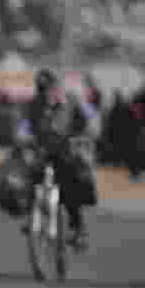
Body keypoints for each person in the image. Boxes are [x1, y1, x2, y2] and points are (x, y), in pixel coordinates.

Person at [23, 68, 97, 249]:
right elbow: (25, 127)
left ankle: (78, 229)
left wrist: (82, 137)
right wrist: (23, 139)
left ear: (53, 86)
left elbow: (87, 121)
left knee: (70, 188)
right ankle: (33, 216)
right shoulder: (34, 105)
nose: (44, 92)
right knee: (31, 177)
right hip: (42, 151)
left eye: (46, 87)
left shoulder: (67, 101)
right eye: (40, 88)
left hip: (64, 151)